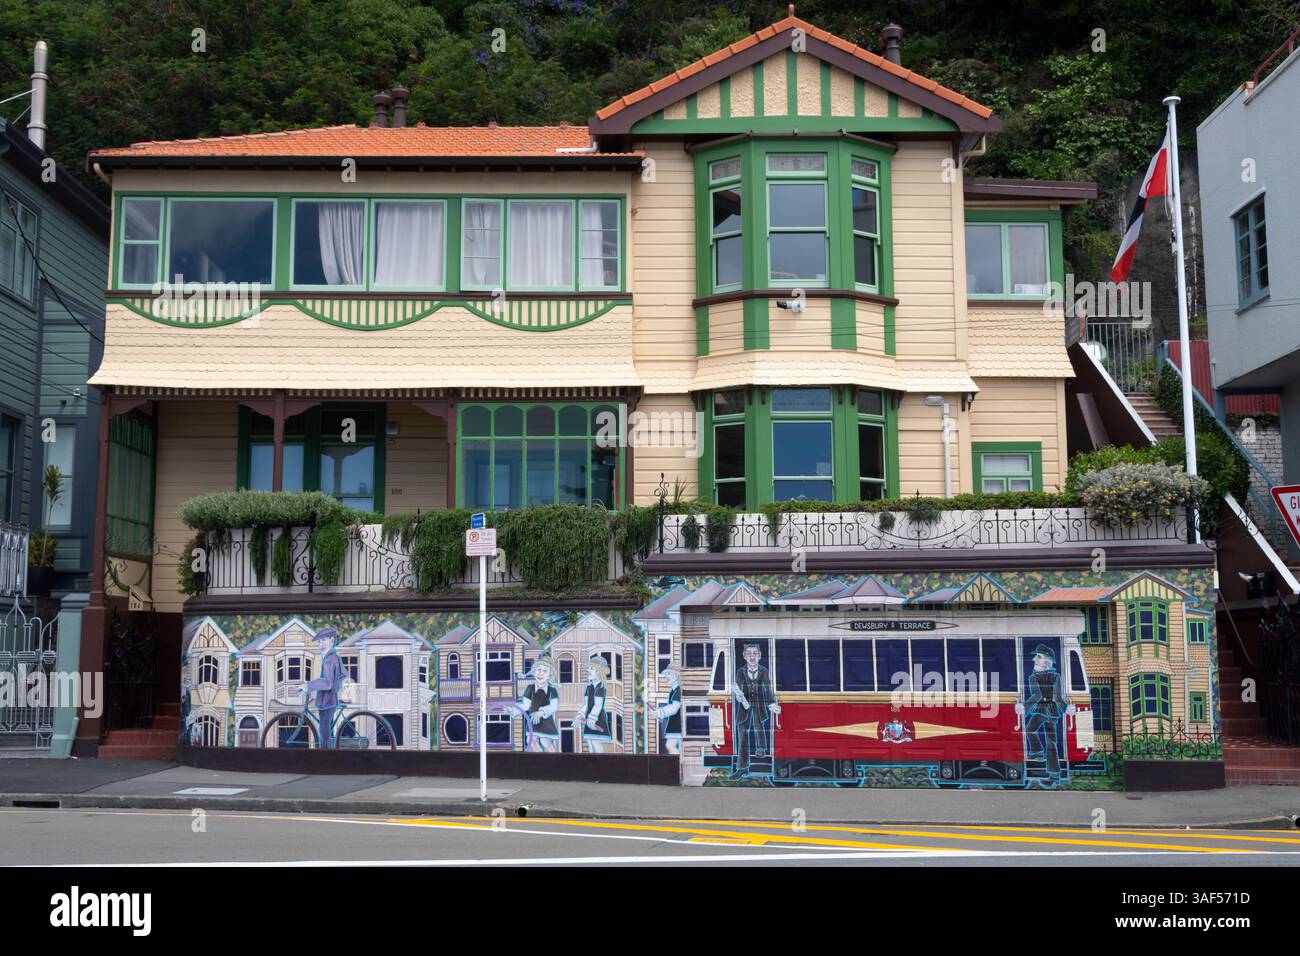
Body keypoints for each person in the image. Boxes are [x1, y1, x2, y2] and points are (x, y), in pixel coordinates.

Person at [1015, 643, 1075, 778]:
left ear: (1046, 661)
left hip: (1042, 710)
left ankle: (1037, 751)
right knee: (1051, 742)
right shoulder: (1056, 677)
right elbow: (1058, 698)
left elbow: (1037, 695)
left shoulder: (1033, 677)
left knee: (1030, 730)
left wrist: (1025, 707)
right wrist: (1066, 709)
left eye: (1038, 656)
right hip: (1053, 711)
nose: (1034, 659)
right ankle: (1053, 772)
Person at [731, 643, 780, 777]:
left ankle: (761, 748)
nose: (752, 656)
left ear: (759, 656)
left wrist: (771, 704)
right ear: (744, 656)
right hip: (744, 706)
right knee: (743, 734)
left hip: (759, 704)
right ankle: (742, 767)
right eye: (749, 653)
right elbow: (738, 689)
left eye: (755, 653)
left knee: (759, 725)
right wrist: (740, 698)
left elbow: (767, 687)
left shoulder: (763, 670)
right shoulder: (740, 671)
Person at [302, 626, 346, 749]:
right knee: (326, 730)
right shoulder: (332, 656)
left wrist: (308, 686)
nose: (321, 644)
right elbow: (344, 673)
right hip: (329, 699)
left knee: (324, 731)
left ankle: (326, 756)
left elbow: (327, 683)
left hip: (328, 700)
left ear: (332, 640)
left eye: (324, 640)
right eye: (320, 641)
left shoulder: (330, 659)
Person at [518, 657, 561, 752]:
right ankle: (542, 759)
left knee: (545, 742)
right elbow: (525, 705)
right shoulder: (530, 688)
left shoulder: (552, 690)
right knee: (531, 741)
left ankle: (556, 761)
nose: (540, 673)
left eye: (544, 671)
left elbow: (554, 706)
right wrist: (513, 710)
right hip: (533, 721)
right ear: (534, 672)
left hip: (546, 722)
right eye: (538, 669)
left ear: (550, 675)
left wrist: (541, 712)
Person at [575, 655, 613, 753]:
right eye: (588, 668)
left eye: (591, 668)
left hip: (597, 719)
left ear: (599, 671)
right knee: (590, 744)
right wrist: (580, 715)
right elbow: (586, 704)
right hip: (589, 719)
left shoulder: (600, 688)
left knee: (596, 743)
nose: (588, 670)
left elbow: (598, 705)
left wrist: (592, 718)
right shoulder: (589, 688)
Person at [655, 666, 683, 755]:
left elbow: (674, 708)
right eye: (665, 674)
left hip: (677, 724)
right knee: (671, 746)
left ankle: (678, 764)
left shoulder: (678, 690)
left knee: (671, 746)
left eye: (668, 673)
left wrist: (660, 712)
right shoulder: (674, 690)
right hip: (675, 723)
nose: (666, 676)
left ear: (676, 675)